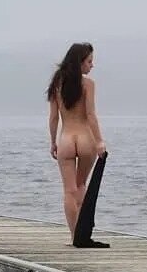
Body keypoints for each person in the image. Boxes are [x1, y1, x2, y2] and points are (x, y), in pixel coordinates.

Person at [46, 42, 109, 248]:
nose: (92, 65)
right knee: (81, 186)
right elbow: (90, 115)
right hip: (85, 139)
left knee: (69, 191)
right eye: (89, 61)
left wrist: (53, 141)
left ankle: (74, 237)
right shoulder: (88, 85)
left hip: (65, 139)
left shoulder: (57, 83)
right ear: (79, 62)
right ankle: (83, 236)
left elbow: (54, 117)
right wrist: (99, 141)